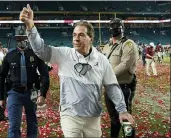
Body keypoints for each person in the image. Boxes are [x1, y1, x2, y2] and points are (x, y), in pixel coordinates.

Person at [20, 5, 135, 138]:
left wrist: (122, 110)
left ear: (91, 38)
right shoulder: (64, 54)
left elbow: (112, 86)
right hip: (70, 116)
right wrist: (30, 27)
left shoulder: (102, 60)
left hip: (93, 117)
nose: (76, 38)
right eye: (74, 35)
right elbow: (41, 50)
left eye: (81, 35)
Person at [0, 25, 50, 138]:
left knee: (32, 123)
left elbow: (45, 74)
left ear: (28, 37)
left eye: (23, 37)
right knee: (14, 125)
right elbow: (1, 76)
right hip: (14, 93)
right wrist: (1, 97)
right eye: (19, 38)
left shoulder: (35, 54)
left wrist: (43, 93)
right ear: (16, 39)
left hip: (31, 92)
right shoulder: (9, 56)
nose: (21, 40)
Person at [102, 18, 138, 138]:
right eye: (112, 26)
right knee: (113, 118)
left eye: (117, 26)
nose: (114, 28)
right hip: (109, 87)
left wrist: (106, 75)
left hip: (123, 86)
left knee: (125, 118)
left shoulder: (128, 44)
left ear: (122, 28)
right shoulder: (106, 46)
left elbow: (125, 64)